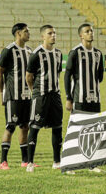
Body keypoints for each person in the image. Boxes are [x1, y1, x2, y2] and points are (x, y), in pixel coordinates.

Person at [64, 23, 105, 173]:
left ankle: (92, 163)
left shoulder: (98, 54)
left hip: (95, 99)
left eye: (92, 31)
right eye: (87, 31)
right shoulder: (75, 52)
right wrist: (69, 97)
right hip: (79, 98)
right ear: (81, 35)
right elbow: (67, 75)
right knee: (77, 130)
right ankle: (70, 163)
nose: (90, 33)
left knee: (94, 130)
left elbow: (100, 76)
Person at [25, 25, 64, 173]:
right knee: (34, 127)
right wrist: (34, 92)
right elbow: (29, 77)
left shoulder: (58, 54)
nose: (53, 35)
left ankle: (56, 161)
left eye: (54, 33)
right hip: (40, 96)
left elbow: (57, 74)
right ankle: (30, 162)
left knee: (57, 128)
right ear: (43, 36)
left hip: (55, 96)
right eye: (50, 33)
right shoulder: (36, 54)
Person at [0, 23, 34, 170]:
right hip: (13, 95)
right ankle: (3, 161)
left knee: (25, 127)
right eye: (26, 31)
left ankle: (25, 160)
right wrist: (2, 94)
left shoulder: (30, 51)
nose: (28, 33)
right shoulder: (8, 50)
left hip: (27, 97)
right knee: (10, 126)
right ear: (18, 33)